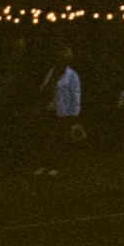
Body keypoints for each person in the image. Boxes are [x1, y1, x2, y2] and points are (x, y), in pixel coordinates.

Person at [34, 46, 81, 177]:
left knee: (59, 139)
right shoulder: (52, 71)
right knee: (46, 138)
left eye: (63, 57)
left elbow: (76, 95)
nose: (60, 59)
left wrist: (74, 114)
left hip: (64, 111)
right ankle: (43, 165)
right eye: (58, 56)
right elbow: (44, 87)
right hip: (50, 108)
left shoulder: (72, 75)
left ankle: (56, 166)